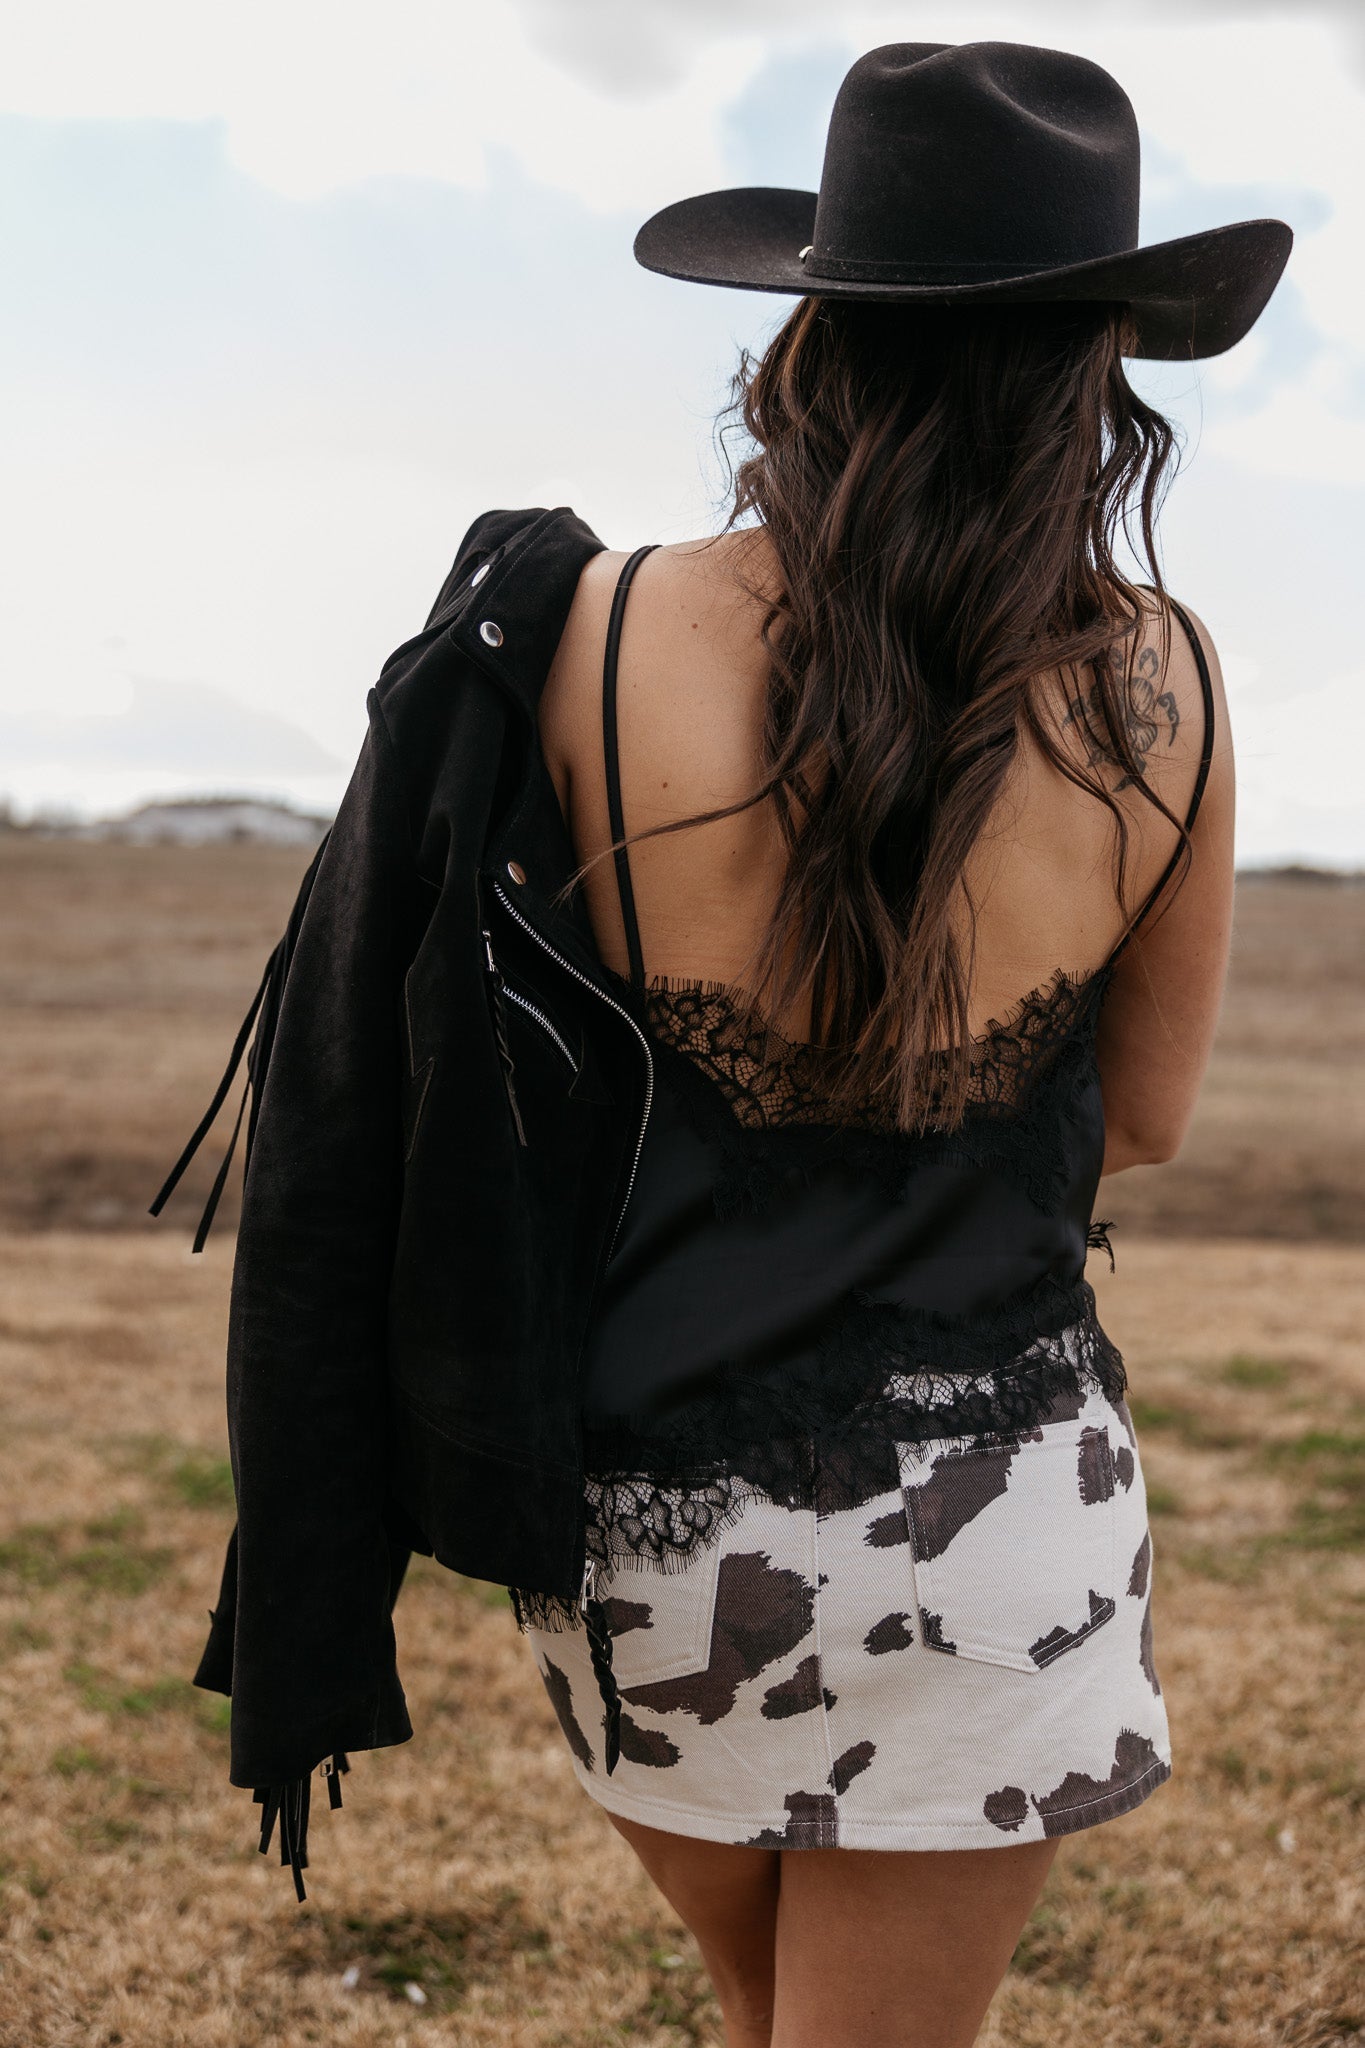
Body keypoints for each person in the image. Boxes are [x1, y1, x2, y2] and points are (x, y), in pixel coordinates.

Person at [153, 38, 1291, 2048]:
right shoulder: (1167, 682)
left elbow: (477, 1075)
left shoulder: (584, 627)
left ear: (807, 330)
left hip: (656, 1541)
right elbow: (1147, 1120)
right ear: (1097, 361)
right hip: (1004, 1529)